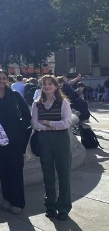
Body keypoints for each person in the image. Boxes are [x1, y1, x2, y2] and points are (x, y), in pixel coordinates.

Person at [0, 70, 31, 214]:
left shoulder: (15, 96)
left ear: (8, 80)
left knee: (16, 170)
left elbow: (27, 116)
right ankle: (7, 198)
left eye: (4, 78)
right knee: (4, 170)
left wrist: (19, 130)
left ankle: (18, 201)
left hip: (15, 139)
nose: (1, 81)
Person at [32, 75, 73, 221]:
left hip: (61, 141)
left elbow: (66, 123)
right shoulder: (37, 104)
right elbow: (35, 124)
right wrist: (52, 125)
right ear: (41, 87)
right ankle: (50, 205)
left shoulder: (63, 103)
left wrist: (47, 123)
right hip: (44, 141)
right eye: (44, 84)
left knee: (63, 173)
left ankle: (63, 206)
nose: (47, 86)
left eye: (50, 84)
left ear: (56, 87)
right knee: (47, 173)